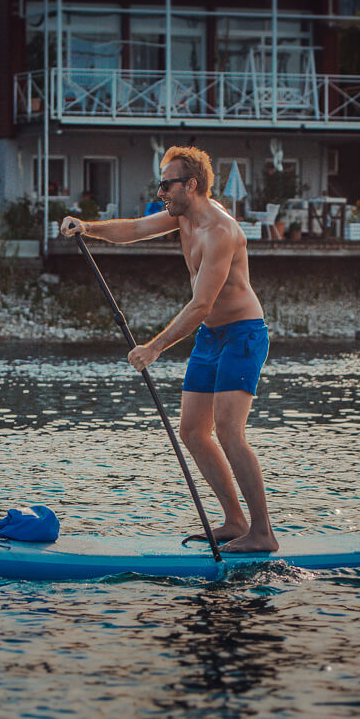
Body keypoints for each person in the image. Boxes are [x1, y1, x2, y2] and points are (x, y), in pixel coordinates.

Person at [60, 146, 278, 553]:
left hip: (242, 335)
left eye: (166, 183)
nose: (160, 191)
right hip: (210, 337)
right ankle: (235, 522)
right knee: (194, 432)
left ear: (190, 185)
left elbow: (201, 305)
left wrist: (155, 347)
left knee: (230, 432)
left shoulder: (221, 232)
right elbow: (134, 229)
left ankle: (263, 533)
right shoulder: (181, 217)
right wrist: (86, 227)